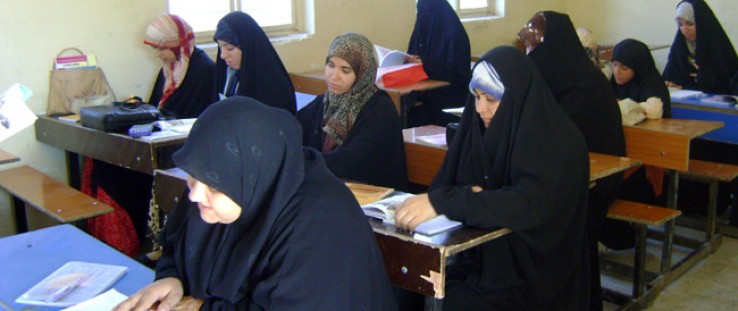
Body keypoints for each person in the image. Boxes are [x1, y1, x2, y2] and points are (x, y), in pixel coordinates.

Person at [114, 96, 397, 311]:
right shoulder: (225, 184)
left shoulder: (320, 224)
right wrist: (172, 279)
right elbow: (177, 248)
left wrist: (203, 307)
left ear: (251, 177)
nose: (195, 195)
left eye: (212, 185)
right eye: (192, 177)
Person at [394, 46, 591, 310]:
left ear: (515, 96)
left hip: (532, 273)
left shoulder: (559, 142)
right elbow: (449, 185)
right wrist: (475, 199)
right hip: (475, 259)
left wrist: (456, 201)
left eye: (491, 99)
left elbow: (526, 205)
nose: (480, 109)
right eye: (475, 96)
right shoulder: (477, 132)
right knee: (402, 285)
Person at [519, 11, 626, 311]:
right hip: (560, 182)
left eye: (533, 47)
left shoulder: (587, 86)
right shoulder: (553, 78)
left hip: (592, 187)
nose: (529, 54)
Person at [297, 33, 407, 190]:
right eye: (330, 65)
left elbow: (351, 161)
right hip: (329, 188)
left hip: (371, 196)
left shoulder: (380, 110)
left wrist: (304, 159)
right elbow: (292, 128)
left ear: (362, 74)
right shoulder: (324, 102)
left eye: (345, 70)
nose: (334, 76)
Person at [603, 38, 673, 250]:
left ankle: (622, 239)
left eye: (624, 67)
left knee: (616, 186)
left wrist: (626, 108)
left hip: (646, 162)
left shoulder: (651, 84)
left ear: (637, 67)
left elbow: (653, 110)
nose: (617, 72)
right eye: (614, 65)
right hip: (620, 155)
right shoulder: (611, 84)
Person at [213, 11, 296, 114]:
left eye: (230, 48)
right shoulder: (229, 74)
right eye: (220, 47)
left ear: (248, 48)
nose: (223, 55)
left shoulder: (272, 86)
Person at [405, 0, 471, 127]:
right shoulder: (421, 29)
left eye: (427, 12)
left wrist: (426, 64)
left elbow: (457, 72)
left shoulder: (454, 35)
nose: (423, 15)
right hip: (424, 92)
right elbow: (413, 53)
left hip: (449, 98)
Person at [145, 13, 216, 119]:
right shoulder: (169, 69)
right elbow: (155, 107)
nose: (158, 54)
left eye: (162, 48)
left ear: (177, 45)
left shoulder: (205, 70)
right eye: (155, 48)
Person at [663, 0, 738, 95]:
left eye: (690, 24)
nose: (685, 30)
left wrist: (705, 77)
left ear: (701, 22)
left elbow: (726, 84)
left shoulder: (716, 48)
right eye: (680, 24)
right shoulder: (680, 48)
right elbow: (669, 76)